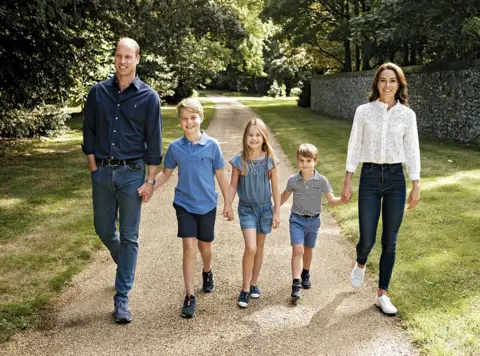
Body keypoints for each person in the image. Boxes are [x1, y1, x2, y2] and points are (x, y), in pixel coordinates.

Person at [82, 38, 162, 323]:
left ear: (137, 59)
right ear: (114, 58)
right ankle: (123, 262)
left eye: (128, 56)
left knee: (129, 236)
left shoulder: (149, 97)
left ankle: (122, 298)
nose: (122, 61)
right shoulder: (98, 92)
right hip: (102, 171)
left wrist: (150, 181)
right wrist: (93, 166)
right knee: (103, 228)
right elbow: (88, 130)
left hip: (132, 174)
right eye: (118, 56)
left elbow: (154, 142)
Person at [138, 98, 232, 318]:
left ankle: (207, 272)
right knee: (189, 248)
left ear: (201, 118)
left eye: (193, 117)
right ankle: (190, 295)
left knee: (204, 247)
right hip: (184, 204)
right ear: (180, 121)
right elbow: (166, 174)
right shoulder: (175, 147)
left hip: (207, 204)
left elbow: (221, 176)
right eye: (184, 119)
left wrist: (227, 203)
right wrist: (149, 186)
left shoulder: (212, 146)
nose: (189, 122)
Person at [341, 62, 421, 315]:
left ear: (399, 85)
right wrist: (347, 179)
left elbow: (412, 150)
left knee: (390, 240)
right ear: (377, 83)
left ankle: (382, 294)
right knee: (367, 238)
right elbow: (355, 145)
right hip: (370, 177)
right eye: (383, 80)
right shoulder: (363, 111)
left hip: (396, 179)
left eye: (392, 80)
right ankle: (361, 262)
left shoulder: (407, 115)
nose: (387, 85)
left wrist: (415, 183)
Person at [280, 144, 348, 303]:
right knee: (298, 250)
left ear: (315, 161)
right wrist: (274, 209)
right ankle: (296, 285)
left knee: (308, 250)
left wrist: (342, 200)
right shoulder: (293, 180)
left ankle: (305, 273)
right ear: (297, 160)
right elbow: (283, 197)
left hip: (314, 221)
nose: (305, 164)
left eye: (308, 160)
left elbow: (331, 199)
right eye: (302, 160)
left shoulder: (322, 180)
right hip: (296, 220)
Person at [228, 118, 281, 308]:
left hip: (265, 209)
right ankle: (244, 288)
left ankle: (254, 283)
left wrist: (277, 211)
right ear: (245, 137)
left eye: (258, 135)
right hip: (247, 209)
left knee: (259, 247)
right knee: (250, 247)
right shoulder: (239, 160)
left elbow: (275, 186)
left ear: (264, 138)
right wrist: (228, 204)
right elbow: (233, 184)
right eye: (250, 135)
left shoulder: (269, 160)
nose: (254, 138)